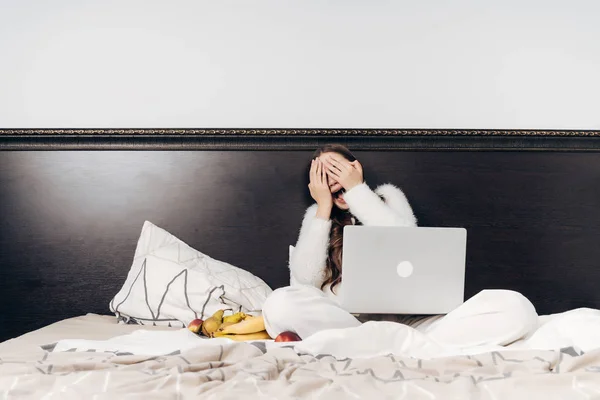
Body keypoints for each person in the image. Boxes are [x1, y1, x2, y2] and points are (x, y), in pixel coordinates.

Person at [262, 144, 538, 348]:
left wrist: (357, 191)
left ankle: (384, 347)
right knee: (279, 304)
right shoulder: (317, 217)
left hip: (409, 323)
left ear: (355, 169)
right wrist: (323, 207)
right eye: (323, 174)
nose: (333, 178)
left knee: (516, 307)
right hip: (349, 324)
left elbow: (405, 245)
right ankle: (408, 349)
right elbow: (305, 280)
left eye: (338, 169)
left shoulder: (387, 199)